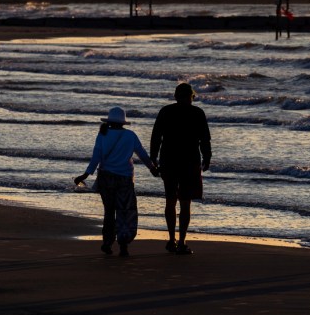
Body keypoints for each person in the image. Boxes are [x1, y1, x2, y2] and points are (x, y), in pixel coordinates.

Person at [75, 107, 158, 258]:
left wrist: (85, 175)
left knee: (109, 212)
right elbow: (143, 154)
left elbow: (96, 157)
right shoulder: (130, 135)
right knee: (124, 212)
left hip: (105, 178)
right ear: (123, 122)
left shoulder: (103, 134)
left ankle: (107, 243)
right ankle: (123, 246)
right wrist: (152, 168)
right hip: (124, 179)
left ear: (110, 121)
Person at [150, 82, 212, 255]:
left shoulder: (166, 111)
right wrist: (207, 157)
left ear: (176, 96)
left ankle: (172, 240)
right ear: (191, 96)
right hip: (189, 162)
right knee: (185, 203)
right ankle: (182, 242)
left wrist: (153, 158)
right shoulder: (197, 113)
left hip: (169, 161)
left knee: (170, 200)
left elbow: (156, 137)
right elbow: (204, 140)